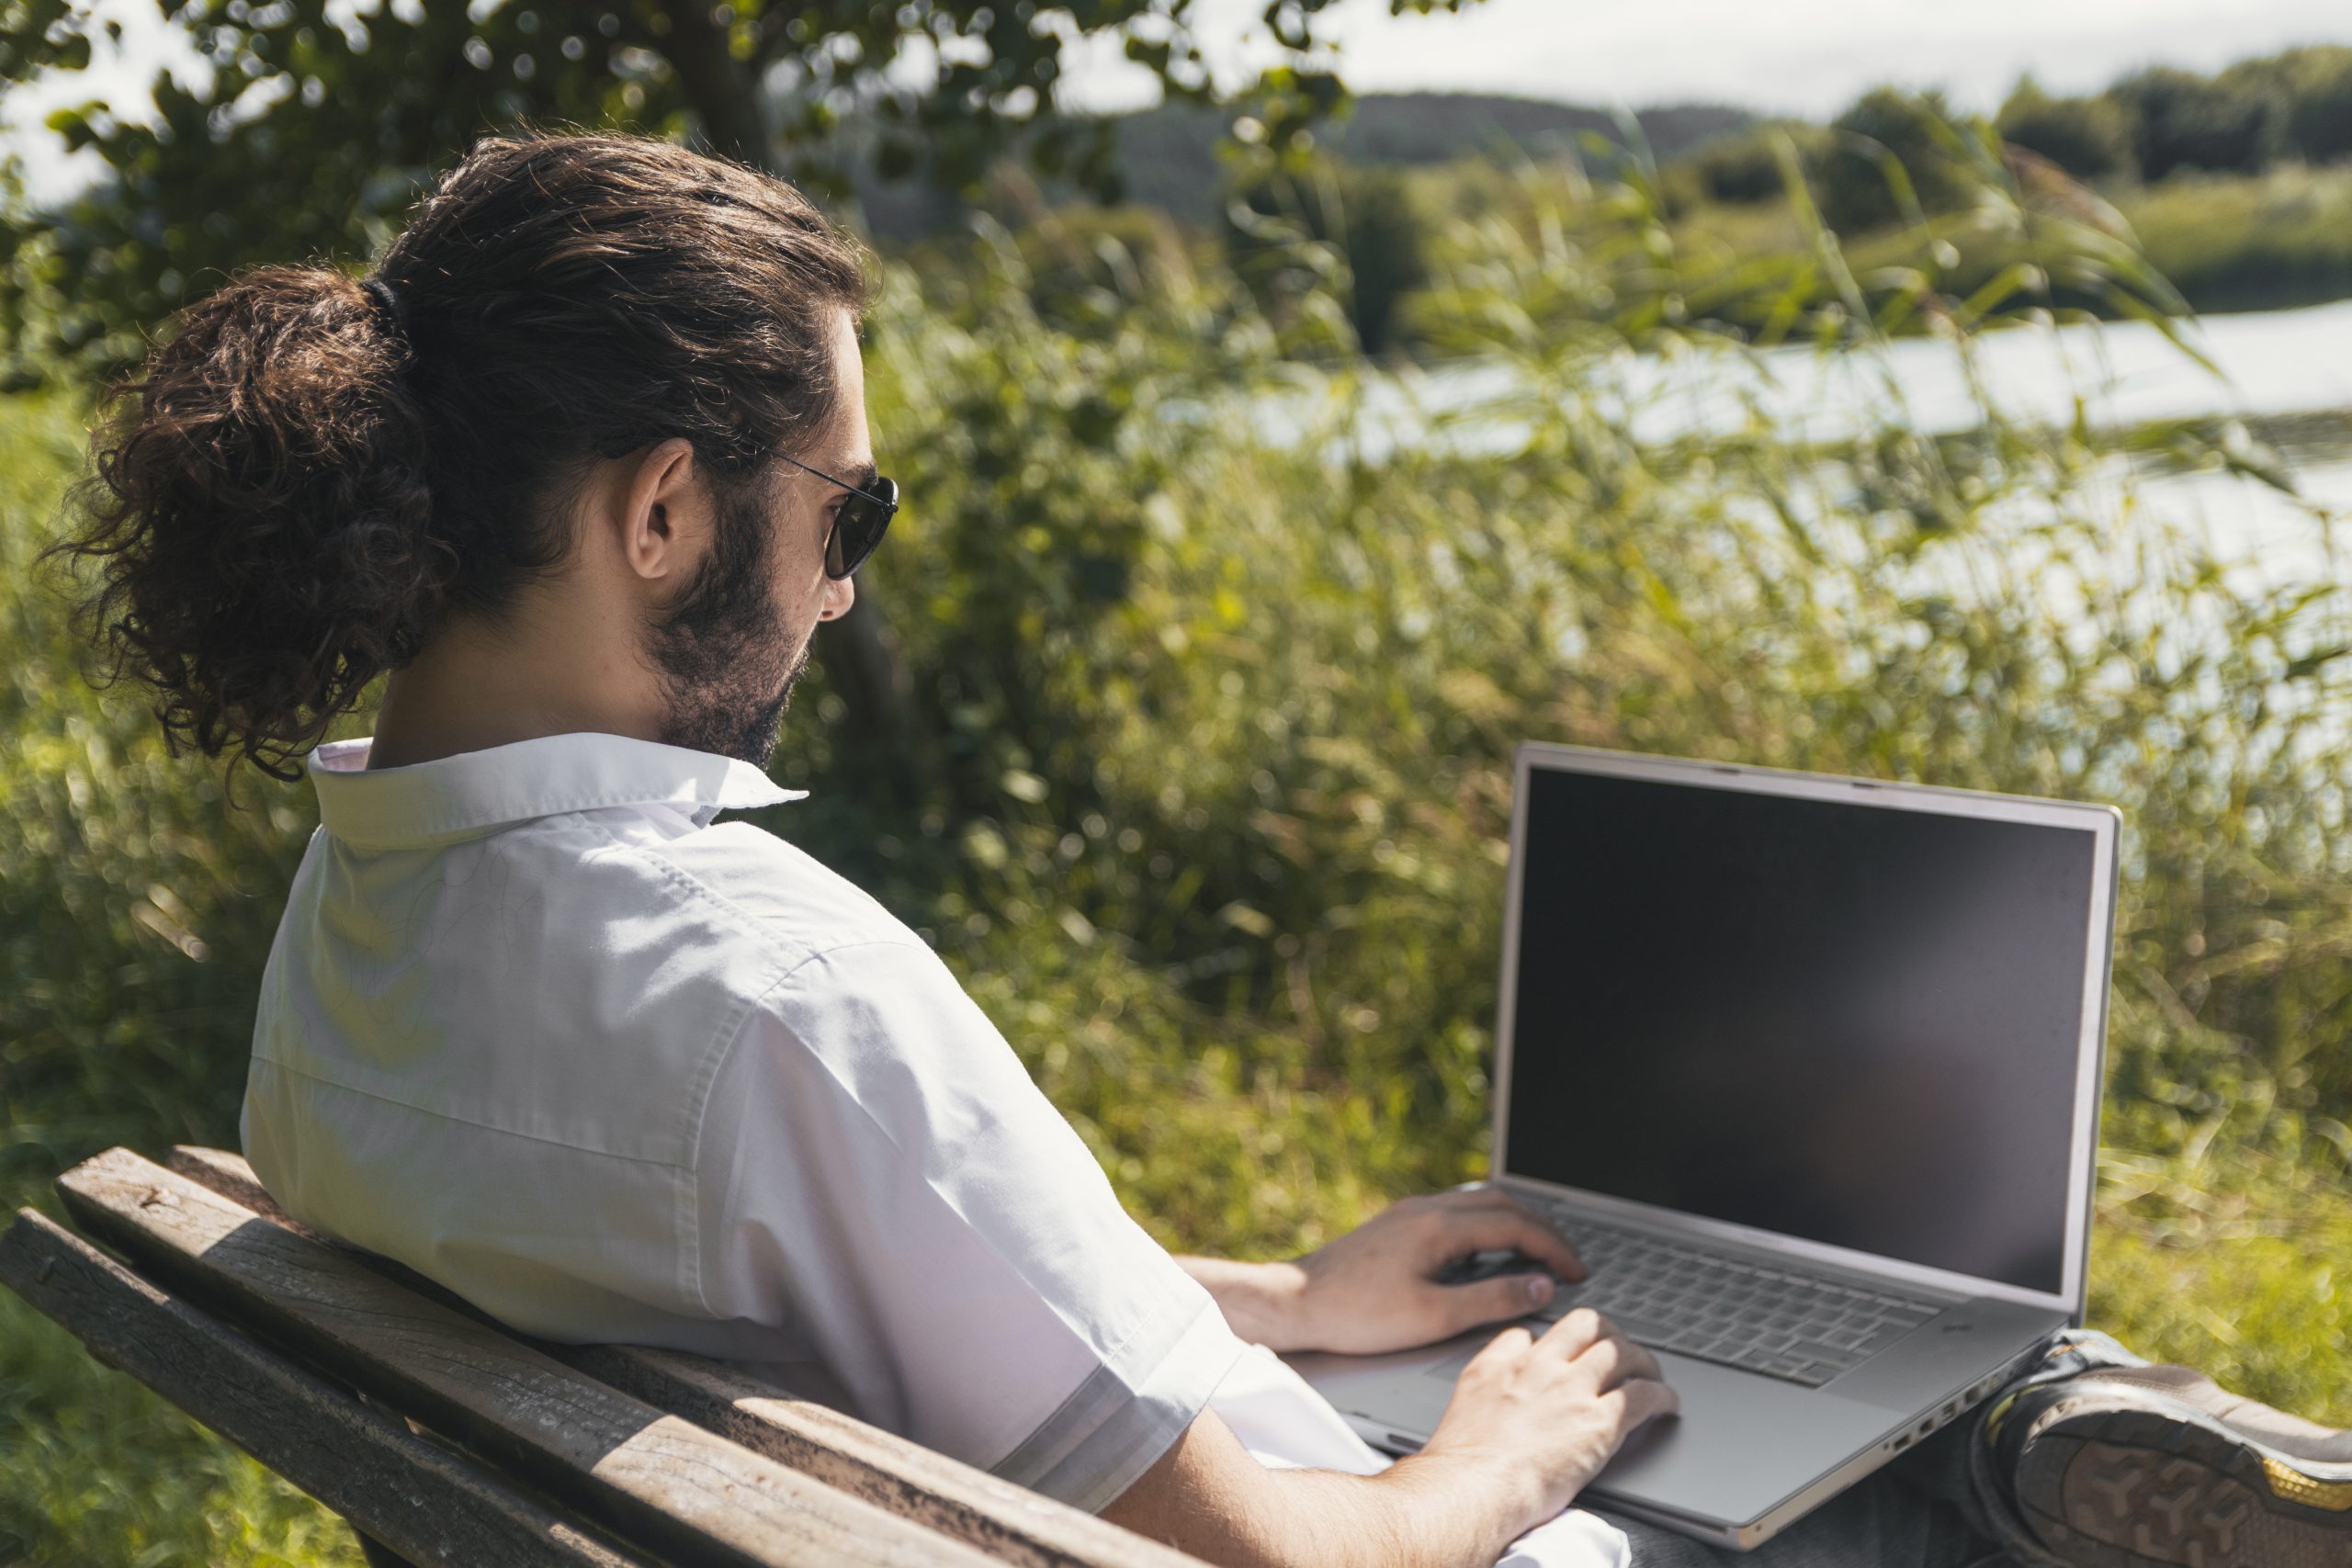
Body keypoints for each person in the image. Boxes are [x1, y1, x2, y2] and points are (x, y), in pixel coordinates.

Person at [55, 128, 2352, 1568]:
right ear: (663, 508)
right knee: (1944, 1445)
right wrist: (1496, 1444)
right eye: (845, 507)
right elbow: (1295, 1558)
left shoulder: (355, 936)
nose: (846, 578)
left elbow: (836, 1291)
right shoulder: (769, 987)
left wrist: (1280, 1303)